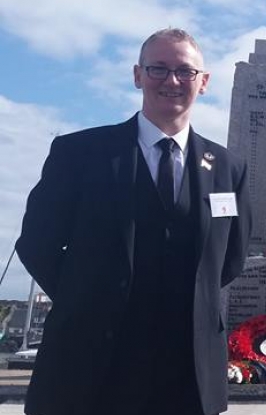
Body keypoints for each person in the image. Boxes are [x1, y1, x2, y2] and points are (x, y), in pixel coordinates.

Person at [16, 28, 252, 415]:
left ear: (203, 82)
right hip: (91, 365)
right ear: (137, 75)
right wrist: (88, 299)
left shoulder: (228, 167)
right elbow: (36, 244)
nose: (171, 81)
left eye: (185, 71)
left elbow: (231, 258)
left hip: (186, 371)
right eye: (158, 68)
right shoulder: (79, 153)